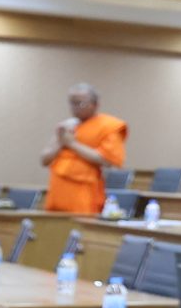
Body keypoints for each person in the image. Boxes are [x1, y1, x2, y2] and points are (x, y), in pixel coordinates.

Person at [41, 84, 127, 215]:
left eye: (79, 103)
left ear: (95, 104)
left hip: (84, 190)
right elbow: (44, 160)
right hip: (58, 189)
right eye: (71, 103)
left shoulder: (108, 126)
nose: (74, 107)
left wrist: (72, 144)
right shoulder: (66, 127)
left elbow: (107, 160)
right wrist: (60, 142)